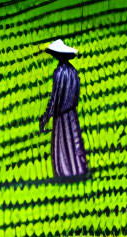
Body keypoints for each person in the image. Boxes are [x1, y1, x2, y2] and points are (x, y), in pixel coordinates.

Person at [39, 38, 91, 182]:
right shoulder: (73, 72)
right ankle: (77, 169)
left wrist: (47, 115)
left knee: (62, 144)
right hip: (71, 113)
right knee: (73, 141)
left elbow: (54, 97)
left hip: (60, 115)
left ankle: (64, 172)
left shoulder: (59, 72)